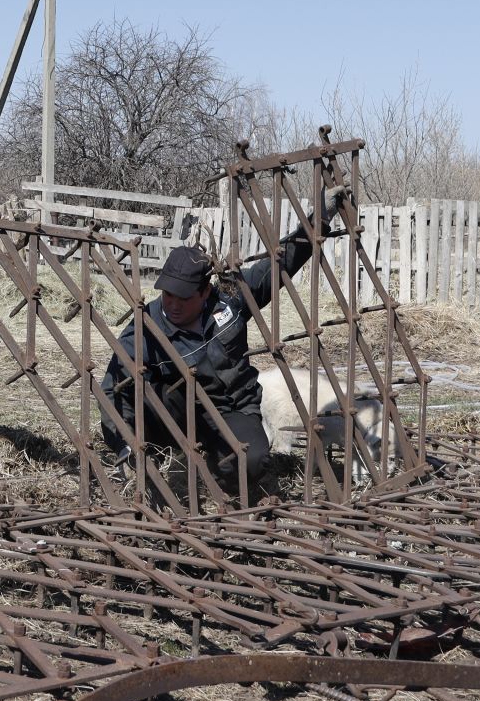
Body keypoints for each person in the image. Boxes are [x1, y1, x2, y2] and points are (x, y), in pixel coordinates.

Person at [98, 188, 346, 498]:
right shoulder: (147, 326)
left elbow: (279, 264)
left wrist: (319, 218)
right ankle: (167, 455)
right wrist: (125, 443)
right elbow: (111, 389)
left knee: (250, 465)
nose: (173, 304)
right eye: (168, 294)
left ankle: (217, 464)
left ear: (205, 293)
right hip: (174, 412)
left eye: (184, 297)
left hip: (230, 408)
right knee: (141, 399)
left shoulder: (230, 300)